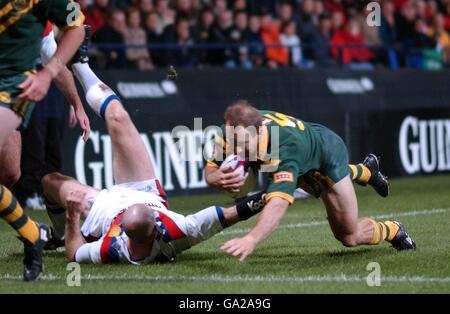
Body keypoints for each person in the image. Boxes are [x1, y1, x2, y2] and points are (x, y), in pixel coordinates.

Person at [41, 64, 265, 264]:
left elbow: (74, 254)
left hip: (105, 210)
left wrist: (71, 218)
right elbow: (230, 214)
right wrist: (275, 193)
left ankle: (59, 233)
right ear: (157, 230)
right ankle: (81, 64)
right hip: (144, 191)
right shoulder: (179, 232)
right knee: (118, 115)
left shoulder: (110, 248)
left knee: (49, 182)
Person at [204, 100, 416, 261]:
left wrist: (251, 239)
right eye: (233, 143)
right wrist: (216, 179)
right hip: (302, 150)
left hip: (325, 157)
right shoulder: (235, 131)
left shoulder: (286, 149)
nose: (236, 151)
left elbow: (278, 204)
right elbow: (209, 171)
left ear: (260, 132)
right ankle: (366, 171)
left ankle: (393, 229)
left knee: (349, 236)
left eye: (242, 144)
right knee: (278, 181)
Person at [0, 0, 86, 280]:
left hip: (12, 87)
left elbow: (76, 28)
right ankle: (33, 234)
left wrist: (72, 99)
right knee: (9, 173)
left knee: (10, 175)